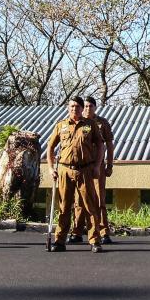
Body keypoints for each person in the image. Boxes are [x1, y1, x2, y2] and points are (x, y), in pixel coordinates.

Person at [46, 97, 105, 253]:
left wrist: (97, 166)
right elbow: (50, 147)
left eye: (78, 107)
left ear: (82, 109)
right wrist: (51, 168)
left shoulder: (90, 125)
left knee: (89, 206)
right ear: (68, 108)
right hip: (65, 170)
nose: (74, 109)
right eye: (72, 106)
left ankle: (95, 241)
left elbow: (101, 145)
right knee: (64, 207)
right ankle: (59, 241)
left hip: (85, 170)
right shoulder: (61, 125)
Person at [68, 96, 115, 245]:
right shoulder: (78, 123)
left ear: (95, 107)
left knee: (99, 198)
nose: (88, 109)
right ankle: (77, 231)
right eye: (86, 106)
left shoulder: (102, 123)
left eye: (91, 106)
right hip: (81, 166)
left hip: (97, 165)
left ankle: (103, 231)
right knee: (79, 200)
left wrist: (109, 165)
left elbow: (109, 145)